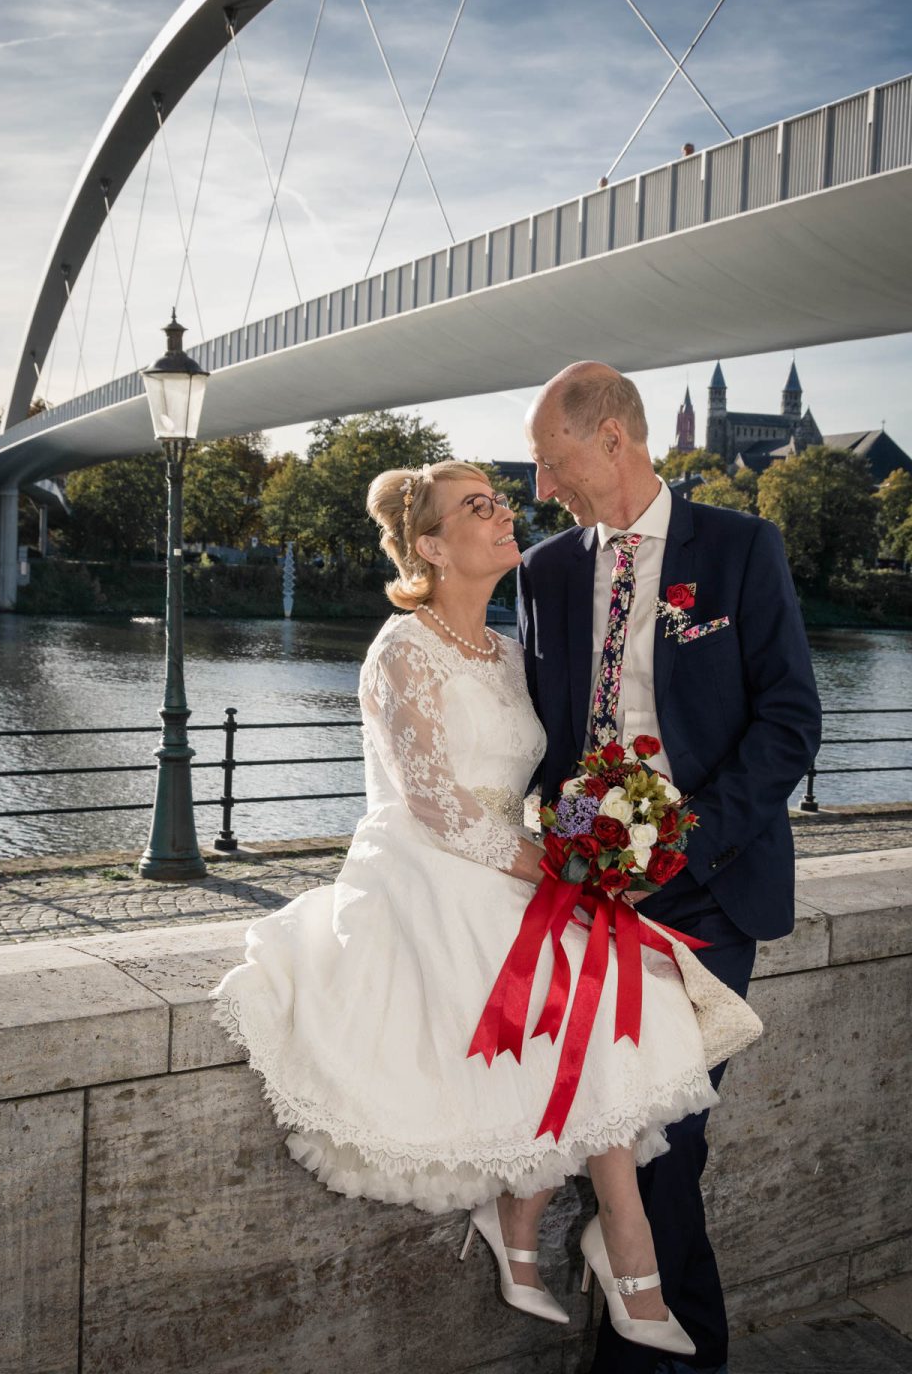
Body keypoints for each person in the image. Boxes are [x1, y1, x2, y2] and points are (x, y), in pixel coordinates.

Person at [210, 459, 756, 1353]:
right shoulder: (401, 649)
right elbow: (434, 803)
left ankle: (540, 1224)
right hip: (429, 866)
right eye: (477, 506)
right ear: (430, 545)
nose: (504, 512)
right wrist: (549, 869)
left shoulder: (509, 652)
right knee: (578, 978)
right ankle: (620, 1246)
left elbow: (546, 777)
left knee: (614, 981)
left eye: (499, 499)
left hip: (515, 861)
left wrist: (603, 831)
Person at [521, 364, 822, 1372]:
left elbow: (789, 724)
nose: (544, 486)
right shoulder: (549, 572)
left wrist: (680, 842)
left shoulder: (741, 550)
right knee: (643, 1150)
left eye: (552, 461)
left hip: (710, 895)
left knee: (661, 1142)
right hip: (590, 901)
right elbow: (552, 744)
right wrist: (579, 846)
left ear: (612, 438)